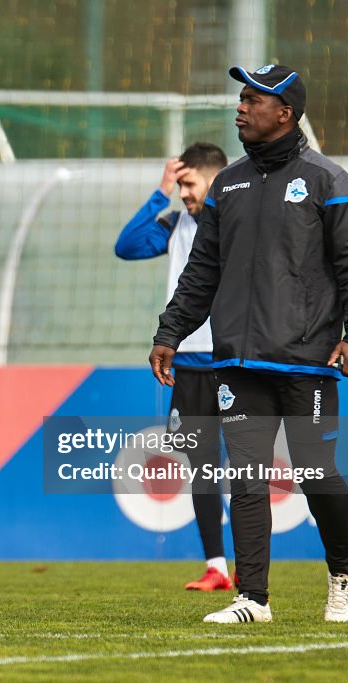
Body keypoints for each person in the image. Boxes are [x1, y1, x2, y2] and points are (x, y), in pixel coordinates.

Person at [150, 64, 348, 624]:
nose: (241, 107)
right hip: (238, 361)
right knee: (245, 478)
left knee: (316, 475)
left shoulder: (329, 181)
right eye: (241, 98)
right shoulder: (228, 184)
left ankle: (343, 573)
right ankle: (252, 598)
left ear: (287, 113)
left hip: (306, 360)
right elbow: (201, 271)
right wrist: (170, 332)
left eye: (254, 100)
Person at [115, 142, 232, 592]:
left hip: (232, 359)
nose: (184, 192)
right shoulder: (175, 223)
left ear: (213, 179)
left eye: (188, 183)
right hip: (189, 363)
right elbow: (126, 247)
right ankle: (217, 567)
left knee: (244, 463)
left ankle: (253, 567)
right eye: (180, 184)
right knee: (202, 466)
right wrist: (160, 192)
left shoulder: (237, 222)